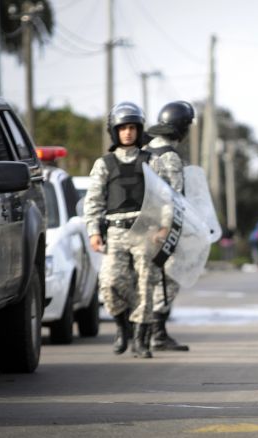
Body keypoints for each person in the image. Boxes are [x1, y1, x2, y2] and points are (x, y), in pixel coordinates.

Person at [84, 102, 166, 359]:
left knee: (145, 284)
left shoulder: (151, 161)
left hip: (146, 230)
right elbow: (94, 200)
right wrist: (94, 231)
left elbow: (164, 197)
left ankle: (141, 340)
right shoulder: (104, 164)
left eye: (132, 127)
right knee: (109, 283)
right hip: (116, 231)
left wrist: (163, 226)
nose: (128, 132)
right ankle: (123, 328)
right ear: (114, 131)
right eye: (123, 128)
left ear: (139, 130)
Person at [143, 100, 196, 352]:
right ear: (183, 128)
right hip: (164, 229)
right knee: (169, 279)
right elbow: (176, 197)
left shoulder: (144, 150)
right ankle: (158, 332)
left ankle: (141, 332)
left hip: (141, 227)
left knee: (147, 278)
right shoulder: (170, 157)